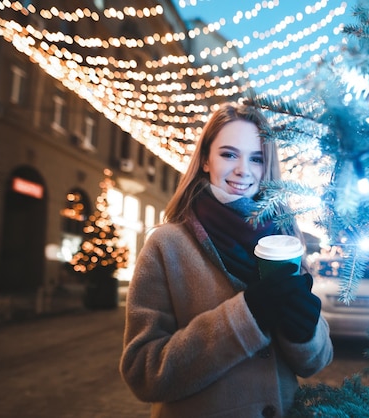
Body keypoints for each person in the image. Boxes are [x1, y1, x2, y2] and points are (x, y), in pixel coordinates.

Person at [120, 101, 333, 418]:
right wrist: (244, 317)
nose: (243, 170)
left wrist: (306, 332)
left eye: (256, 158)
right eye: (229, 154)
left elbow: (315, 362)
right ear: (206, 159)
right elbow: (143, 372)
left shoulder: (284, 241)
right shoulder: (167, 245)